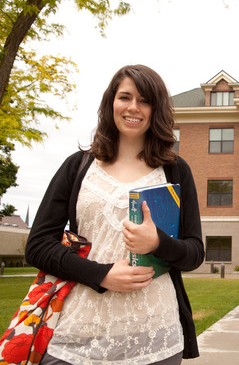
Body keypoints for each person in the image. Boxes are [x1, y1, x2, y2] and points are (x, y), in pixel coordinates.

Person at [25, 65, 205, 364]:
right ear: (111, 103)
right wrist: (102, 274)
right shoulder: (78, 166)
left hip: (156, 337)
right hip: (77, 334)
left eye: (145, 100)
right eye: (125, 97)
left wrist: (158, 242)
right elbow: (39, 246)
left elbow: (195, 253)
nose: (134, 107)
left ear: (156, 110)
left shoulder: (174, 169)